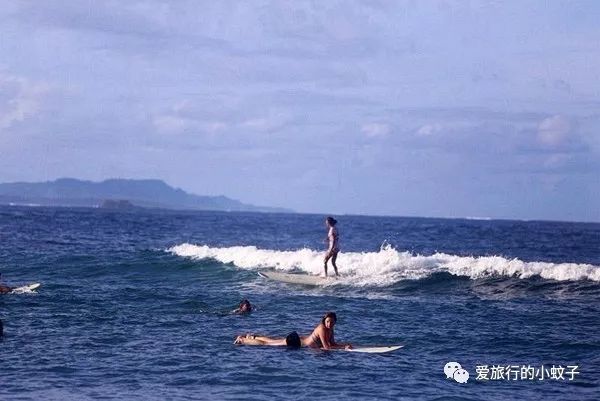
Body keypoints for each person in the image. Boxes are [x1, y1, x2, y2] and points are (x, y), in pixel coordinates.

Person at [233, 311, 351, 350]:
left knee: (271, 340)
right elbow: (326, 347)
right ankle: (242, 340)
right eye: (328, 321)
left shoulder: (330, 330)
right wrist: (343, 348)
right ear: (324, 321)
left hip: (298, 340)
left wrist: (344, 345)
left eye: (331, 322)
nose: (329, 324)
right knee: (268, 344)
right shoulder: (322, 328)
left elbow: (333, 344)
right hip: (295, 342)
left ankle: (253, 337)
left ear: (335, 322)